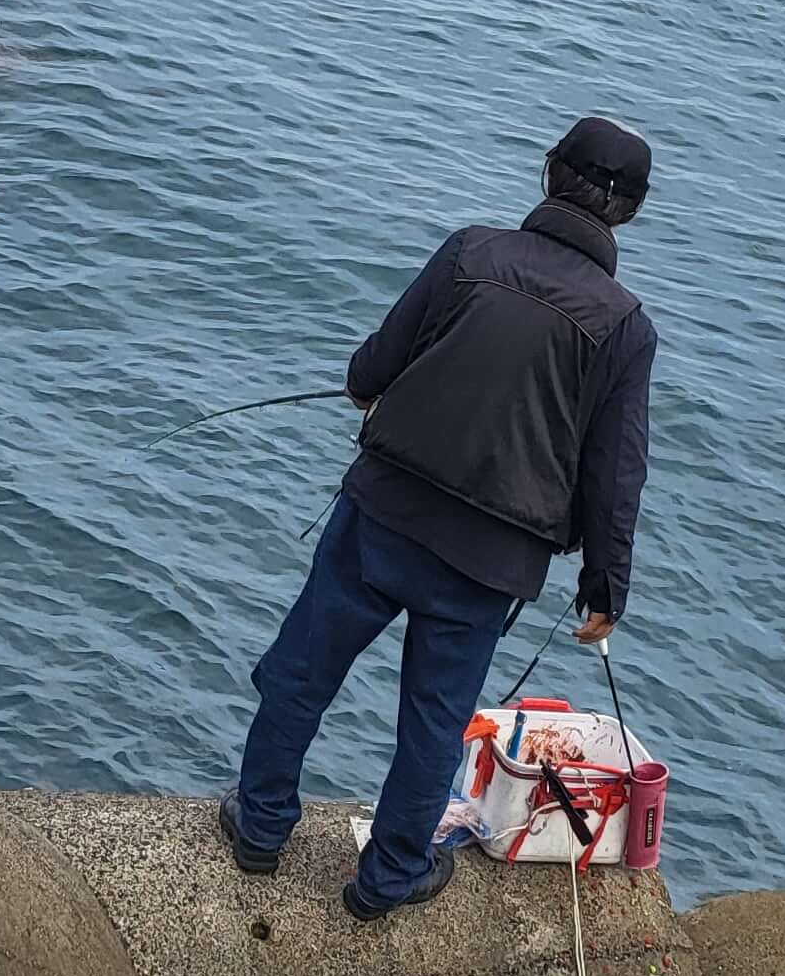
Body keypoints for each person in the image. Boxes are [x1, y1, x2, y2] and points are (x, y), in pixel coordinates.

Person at [221, 113, 656, 918]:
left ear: (547, 171)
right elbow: (613, 475)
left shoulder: (470, 252)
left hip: (383, 515)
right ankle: (386, 881)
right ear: (628, 212)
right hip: (489, 564)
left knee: (302, 671)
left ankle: (260, 828)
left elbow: (372, 369)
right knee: (433, 722)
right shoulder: (626, 328)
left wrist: (368, 389)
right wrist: (606, 588)